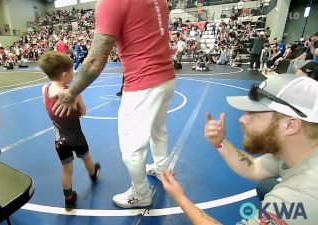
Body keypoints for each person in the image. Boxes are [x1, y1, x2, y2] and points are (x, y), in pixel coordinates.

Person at [51, 0, 176, 208]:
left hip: (142, 84)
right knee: (158, 129)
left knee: (131, 146)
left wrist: (72, 91)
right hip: (166, 77)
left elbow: (94, 60)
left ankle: (141, 193)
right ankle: (162, 168)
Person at [162, 75, 318, 224]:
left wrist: (180, 197)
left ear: (291, 125)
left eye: (254, 114)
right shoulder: (299, 148)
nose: (242, 119)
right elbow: (255, 168)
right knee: (264, 187)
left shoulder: (299, 196)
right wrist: (220, 142)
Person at [38, 51, 101, 211]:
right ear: (65, 75)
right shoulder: (72, 93)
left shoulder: (44, 89)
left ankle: (69, 199)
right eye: (73, 71)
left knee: (67, 170)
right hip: (77, 138)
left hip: (59, 140)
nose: (74, 74)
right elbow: (84, 112)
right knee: (87, 158)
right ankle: (93, 174)